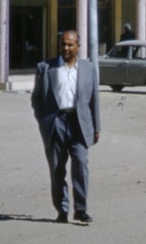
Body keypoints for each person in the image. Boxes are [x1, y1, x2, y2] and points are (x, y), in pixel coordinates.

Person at [31, 30, 101, 224]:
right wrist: (44, 120)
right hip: (55, 123)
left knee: (80, 164)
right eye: (63, 44)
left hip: (79, 123)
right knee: (57, 169)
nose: (66, 48)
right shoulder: (46, 68)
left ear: (78, 46)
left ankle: (81, 209)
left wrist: (96, 127)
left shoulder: (88, 68)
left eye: (70, 45)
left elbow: (94, 99)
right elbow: (36, 99)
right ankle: (62, 210)